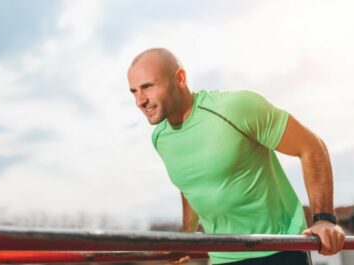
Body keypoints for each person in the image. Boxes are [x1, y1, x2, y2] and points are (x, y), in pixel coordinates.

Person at [127, 48, 345, 265]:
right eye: (134, 91)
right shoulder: (160, 138)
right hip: (222, 257)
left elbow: (311, 147)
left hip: (278, 251)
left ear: (180, 78)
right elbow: (191, 186)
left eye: (147, 87)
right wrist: (187, 237)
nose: (140, 101)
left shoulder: (235, 108)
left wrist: (324, 220)